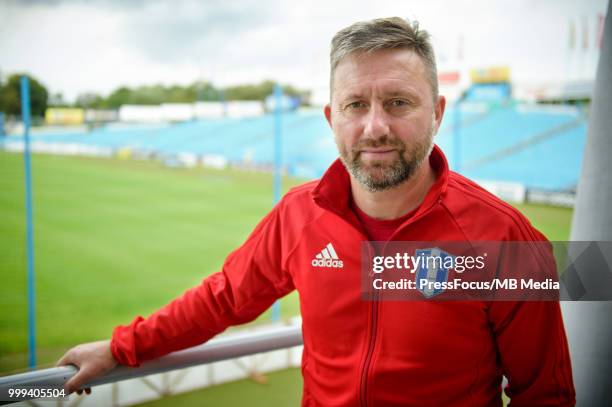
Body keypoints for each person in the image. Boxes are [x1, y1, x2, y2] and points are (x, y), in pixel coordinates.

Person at [58, 17, 575, 406]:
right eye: (355, 105)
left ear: (436, 112)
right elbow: (223, 298)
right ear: (332, 117)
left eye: (399, 102)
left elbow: (545, 393)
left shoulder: (506, 240)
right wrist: (121, 348)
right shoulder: (298, 215)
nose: (375, 127)